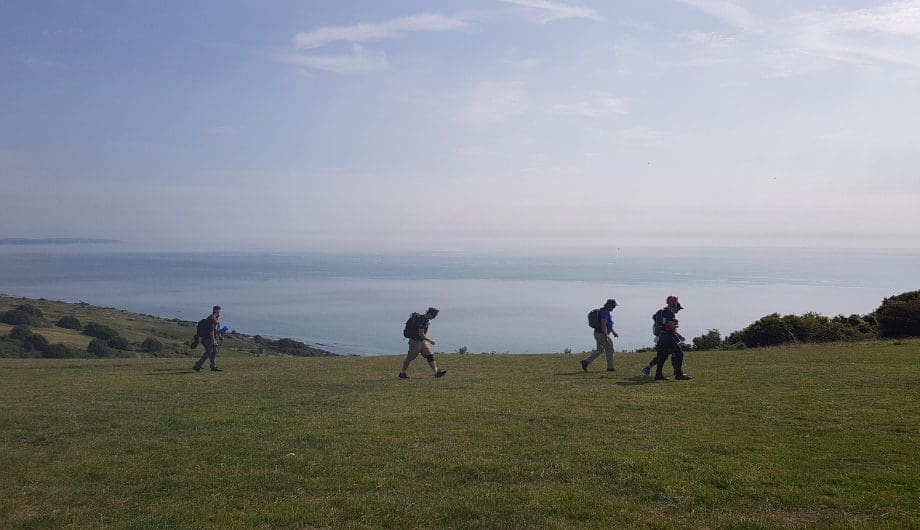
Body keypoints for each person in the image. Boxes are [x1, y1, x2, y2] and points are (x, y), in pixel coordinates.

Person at [642, 296, 691, 380]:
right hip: (668, 336)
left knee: (662, 356)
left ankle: (658, 375)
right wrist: (676, 324)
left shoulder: (663, 311)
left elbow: (663, 324)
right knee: (679, 354)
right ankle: (678, 374)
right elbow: (671, 325)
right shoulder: (669, 313)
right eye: (676, 302)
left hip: (663, 336)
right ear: (673, 303)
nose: (677, 303)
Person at [399, 307, 447, 379]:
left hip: (422, 341)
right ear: (430, 314)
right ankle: (402, 373)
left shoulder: (425, 319)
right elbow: (421, 334)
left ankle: (436, 372)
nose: (434, 318)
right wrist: (429, 340)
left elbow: (422, 335)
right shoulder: (422, 320)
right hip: (415, 342)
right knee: (410, 358)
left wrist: (426, 340)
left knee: (429, 356)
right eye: (434, 316)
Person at [581, 299, 619, 372]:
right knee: (610, 349)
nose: (614, 308)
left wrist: (613, 332)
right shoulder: (605, 312)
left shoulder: (604, 311)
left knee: (600, 350)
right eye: (614, 306)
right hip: (601, 334)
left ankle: (585, 362)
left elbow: (608, 324)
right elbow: (603, 324)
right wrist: (605, 336)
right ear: (610, 305)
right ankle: (610, 368)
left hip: (597, 333)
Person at [193, 305, 222, 372]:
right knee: (208, 352)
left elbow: (215, 329)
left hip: (206, 338)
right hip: (208, 338)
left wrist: (219, 335)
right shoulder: (212, 318)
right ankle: (198, 366)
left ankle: (213, 366)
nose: (219, 312)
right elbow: (211, 330)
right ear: (216, 311)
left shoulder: (214, 317)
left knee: (213, 351)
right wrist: (213, 340)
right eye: (219, 311)